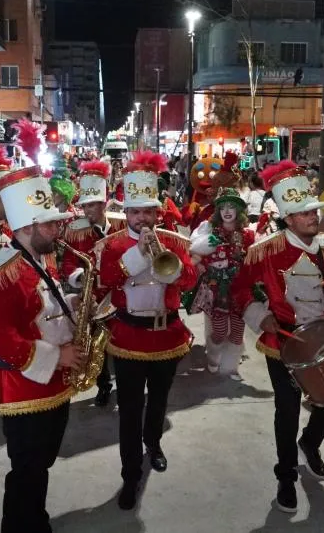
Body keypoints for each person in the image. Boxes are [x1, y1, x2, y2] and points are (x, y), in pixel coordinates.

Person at [231, 160, 324, 512]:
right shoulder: (265, 251)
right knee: (286, 410)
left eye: (314, 210)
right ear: (288, 219)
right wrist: (261, 315)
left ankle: (311, 442)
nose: (313, 217)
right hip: (283, 341)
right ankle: (286, 475)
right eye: (303, 213)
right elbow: (240, 290)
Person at [0, 165, 81, 533]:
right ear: (26, 226)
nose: (58, 230)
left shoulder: (39, 259)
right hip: (23, 386)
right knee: (27, 466)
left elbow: (42, 309)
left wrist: (74, 307)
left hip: (52, 381)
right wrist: (58, 356)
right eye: (50, 224)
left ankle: (36, 519)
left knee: (42, 462)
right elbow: (0, 338)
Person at [96, 151, 197, 510]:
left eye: (148, 212)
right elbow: (105, 282)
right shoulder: (110, 246)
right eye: (136, 212)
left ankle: (153, 445)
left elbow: (189, 279)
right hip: (129, 335)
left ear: (158, 213)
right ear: (126, 213)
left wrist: (162, 257)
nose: (143, 218)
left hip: (166, 332)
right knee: (129, 408)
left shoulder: (173, 242)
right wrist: (138, 255)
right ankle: (129, 474)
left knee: (158, 400)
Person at [60, 160, 125, 407]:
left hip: (119, 293)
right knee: (96, 343)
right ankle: (103, 385)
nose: (88, 210)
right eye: (85, 205)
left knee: (120, 341)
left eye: (93, 205)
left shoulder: (120, 224)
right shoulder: (74, 230)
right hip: (92, 295)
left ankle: (123, 381)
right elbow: (67, 264)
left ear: (103, 204)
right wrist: (80, 278)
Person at [190, 187, 256, 377]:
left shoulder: (248, 236)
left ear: (238, 211)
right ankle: (213, 357)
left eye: (231, 207)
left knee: (237, 332)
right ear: (218, 212)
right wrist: (200, 265)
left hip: (240, 291)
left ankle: (230, 365)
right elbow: (196, 254)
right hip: (216, 291)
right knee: (219, 332)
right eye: (223, 207)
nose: (227, 211)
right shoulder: (209, 233)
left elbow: (253, 262)